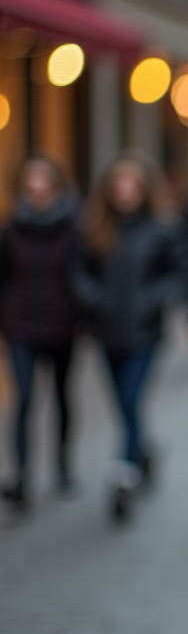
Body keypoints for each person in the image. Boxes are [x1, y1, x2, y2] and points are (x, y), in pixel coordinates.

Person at [70, 152, 188, 524]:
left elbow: (183, 272)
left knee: (130, 400)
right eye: (119, 185)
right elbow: (78, 271)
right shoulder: (94, 226)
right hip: (107, 332)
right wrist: (95, 299)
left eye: (132, 185)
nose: (125, 193)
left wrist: (154, 299)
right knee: (124, 407)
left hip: (145, 332)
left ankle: (123, 478)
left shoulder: (164, 226)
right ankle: (145, 451)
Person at [0, 156, 81, 512]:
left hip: (62, 323)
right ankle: (21, 475)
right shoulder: (12, 228)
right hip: (20, 324)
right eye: (29, 179)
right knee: (24, 399)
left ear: (54, 184)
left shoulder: (72, 227)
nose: (35, 186)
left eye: (41, 179)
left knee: (62, 396)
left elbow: (80, 274)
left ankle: (63, 465)